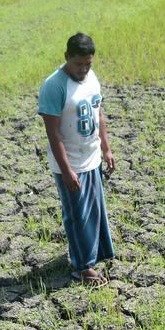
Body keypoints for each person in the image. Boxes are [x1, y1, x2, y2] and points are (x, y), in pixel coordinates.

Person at [38, 32, 116, 286]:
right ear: (66, 57)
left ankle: (94, 254)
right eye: (78, 64)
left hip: (91, 156)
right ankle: (83, 268)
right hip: (70, 162)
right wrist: (67, 170)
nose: (83, 69)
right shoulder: (54, 85)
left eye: (88, 64)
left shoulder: (91, 78)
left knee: (95, 211)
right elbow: (53, 133)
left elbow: (98, 113)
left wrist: (106, 148)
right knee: (77, 214)